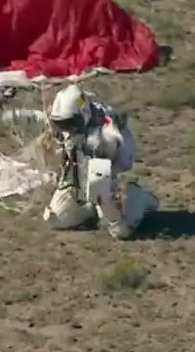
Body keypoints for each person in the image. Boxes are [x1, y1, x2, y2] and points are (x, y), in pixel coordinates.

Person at [42, 83, 159, 239]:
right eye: (62, 123)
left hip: (108, 165)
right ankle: (91, 207)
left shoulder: (105, 130)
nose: (66, 128)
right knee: (56, 217)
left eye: (69, 123)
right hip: (84, 170)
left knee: (120, 230)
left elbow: (116, 149)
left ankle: (138, 198)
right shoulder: (71, 120)